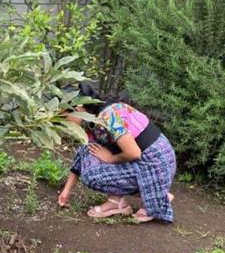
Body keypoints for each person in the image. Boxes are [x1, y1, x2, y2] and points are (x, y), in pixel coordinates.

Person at [57, 84, 176, 223]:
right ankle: (117, 202)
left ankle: (158, 196)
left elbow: (134, 153)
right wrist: (67, 190)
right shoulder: (92, 119)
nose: (64, 122)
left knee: (91, 176)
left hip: (155, 162)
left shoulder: (108, 116)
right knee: (90, 153)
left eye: (64, 117)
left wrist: (111, 158)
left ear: (77, 108)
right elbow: (83, 152)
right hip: (141, 159)